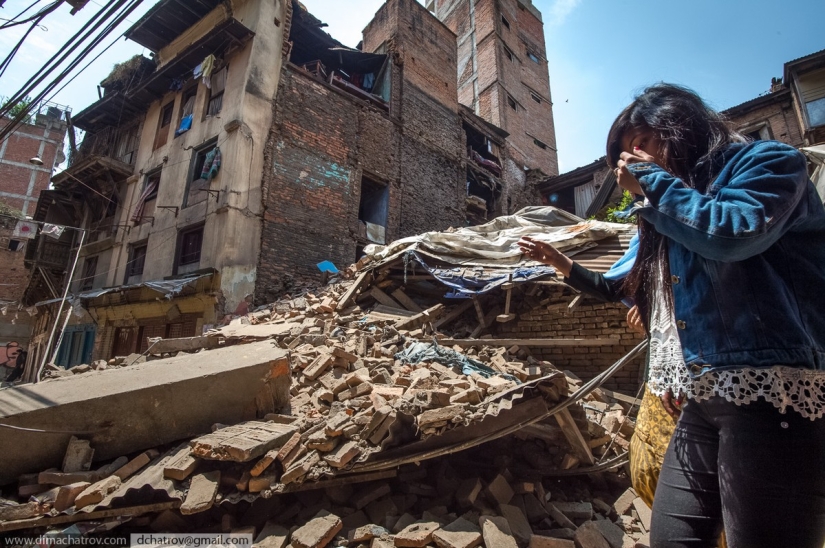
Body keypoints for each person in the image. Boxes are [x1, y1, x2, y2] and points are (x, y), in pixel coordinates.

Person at [602, 83, 825, 548]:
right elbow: (658, 291)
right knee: (673, 538)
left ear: (677, 123)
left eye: (639, 143)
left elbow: (732, 235)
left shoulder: (770, 161)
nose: (632, 159)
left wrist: (653, 183)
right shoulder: (671, 208)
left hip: (773, 394)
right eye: (626, 153)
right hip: (702, 397)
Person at [517, 233, 679, 511]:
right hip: (665, 371)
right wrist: (556, 259)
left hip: (709, 371)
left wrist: (666, 311)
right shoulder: (649, 237)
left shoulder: (706, 227)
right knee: (653, 466)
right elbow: (611, 286)